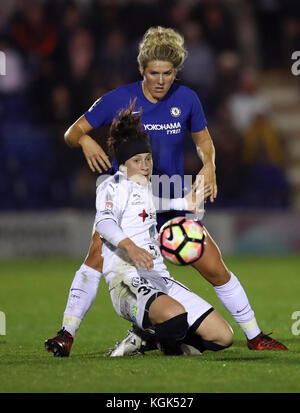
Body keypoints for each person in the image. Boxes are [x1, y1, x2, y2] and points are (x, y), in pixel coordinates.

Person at [45, 26, 287, 357]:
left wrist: (210, 165)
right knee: (97, 255)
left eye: (168, 73)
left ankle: (254, 334)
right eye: (154, 73)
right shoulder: (119, 98)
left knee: (214, 266)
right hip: (130, 198)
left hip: (171, 195)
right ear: (142, 70)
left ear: (176, 71)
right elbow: (73, 132)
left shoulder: (186, 98)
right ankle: (66, 333)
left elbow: (203, 141)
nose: (160, 80)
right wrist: (86, 140)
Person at [84, 103, 234, 356]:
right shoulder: (111, 186)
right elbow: (104, 223)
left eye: (148, 159)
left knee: (222, 337)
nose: (145, 165)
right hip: (127, 281)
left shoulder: (144, 190)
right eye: (137, 160)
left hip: (160, 279)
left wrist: (189, 203)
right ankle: (153, 335)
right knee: (175, 320)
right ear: (122, 164)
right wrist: (131, 248)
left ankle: (149, 337)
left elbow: (157, 204)